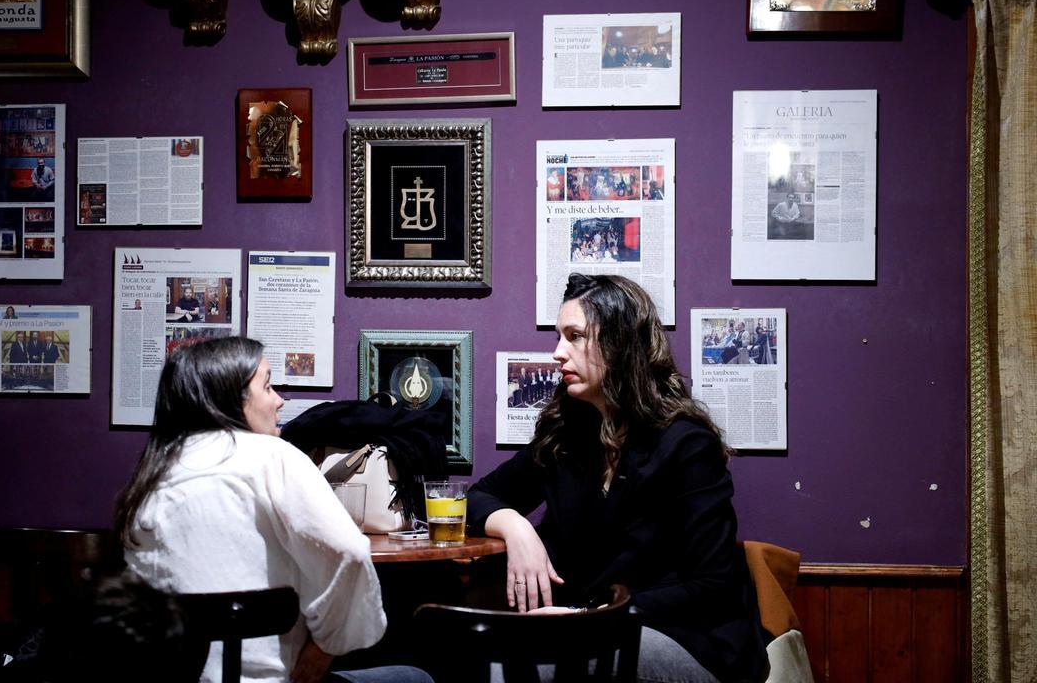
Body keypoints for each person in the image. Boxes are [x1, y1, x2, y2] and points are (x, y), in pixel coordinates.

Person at [468, 275, 767, 683]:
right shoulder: (566, 436)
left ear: (620, 344)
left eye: (575, 337)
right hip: (591, 632)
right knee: (481, 658)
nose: (558, 353)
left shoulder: (686, 445)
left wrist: (587, 617)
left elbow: (710, 586)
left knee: (527, 667)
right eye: (560, 337)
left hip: (689, 640)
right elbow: (477, 497)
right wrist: (517, 527)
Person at [114, 337, 433, 683]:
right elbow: (351, 552)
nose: (280, 400)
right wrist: (326, 647)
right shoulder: (272, 456)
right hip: (272, 678)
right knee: (416, 676)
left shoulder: (151, 476)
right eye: (267, 387)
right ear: (231, 399)